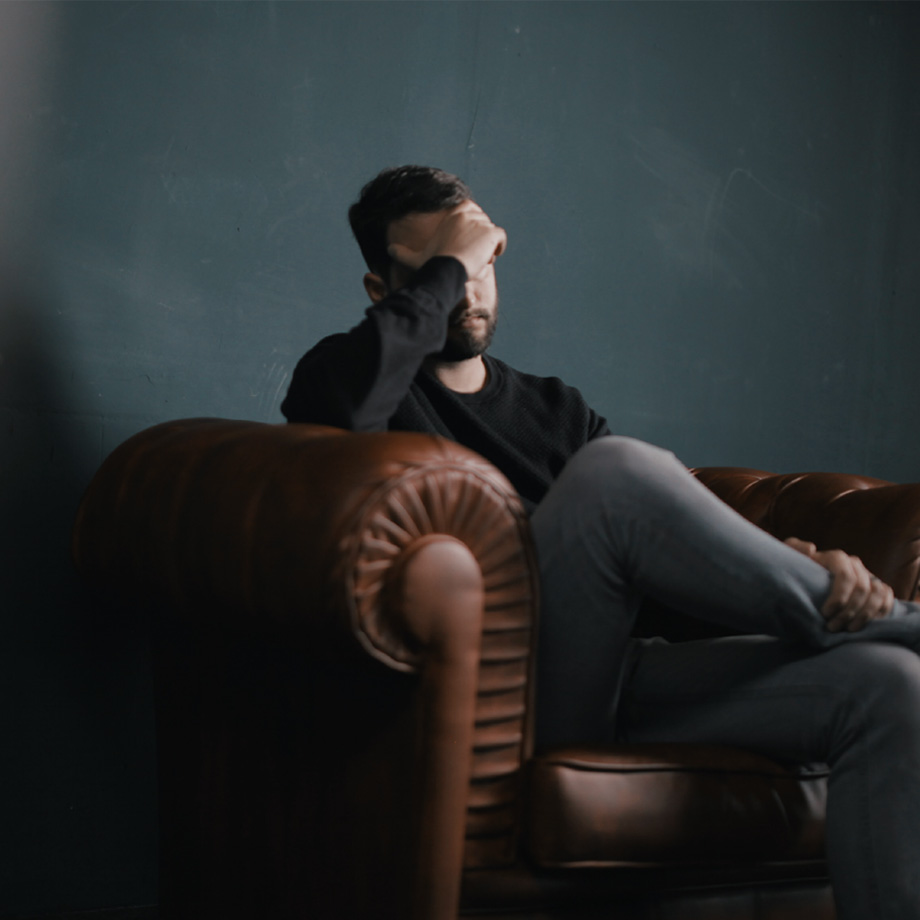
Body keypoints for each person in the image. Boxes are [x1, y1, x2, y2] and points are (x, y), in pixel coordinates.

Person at [282, 165, 920, 919]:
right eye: (441, 269)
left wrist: (798, 562)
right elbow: (339, 417)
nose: (470, 289)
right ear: (384, 292)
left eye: (484, 261)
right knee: (613, 474)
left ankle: (862, 622)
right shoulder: (346, 377)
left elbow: (658, 564)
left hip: (614, 679)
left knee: (891, 690)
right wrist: (454, 264)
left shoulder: (557, 408)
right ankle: (885, 620)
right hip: (503, 699)